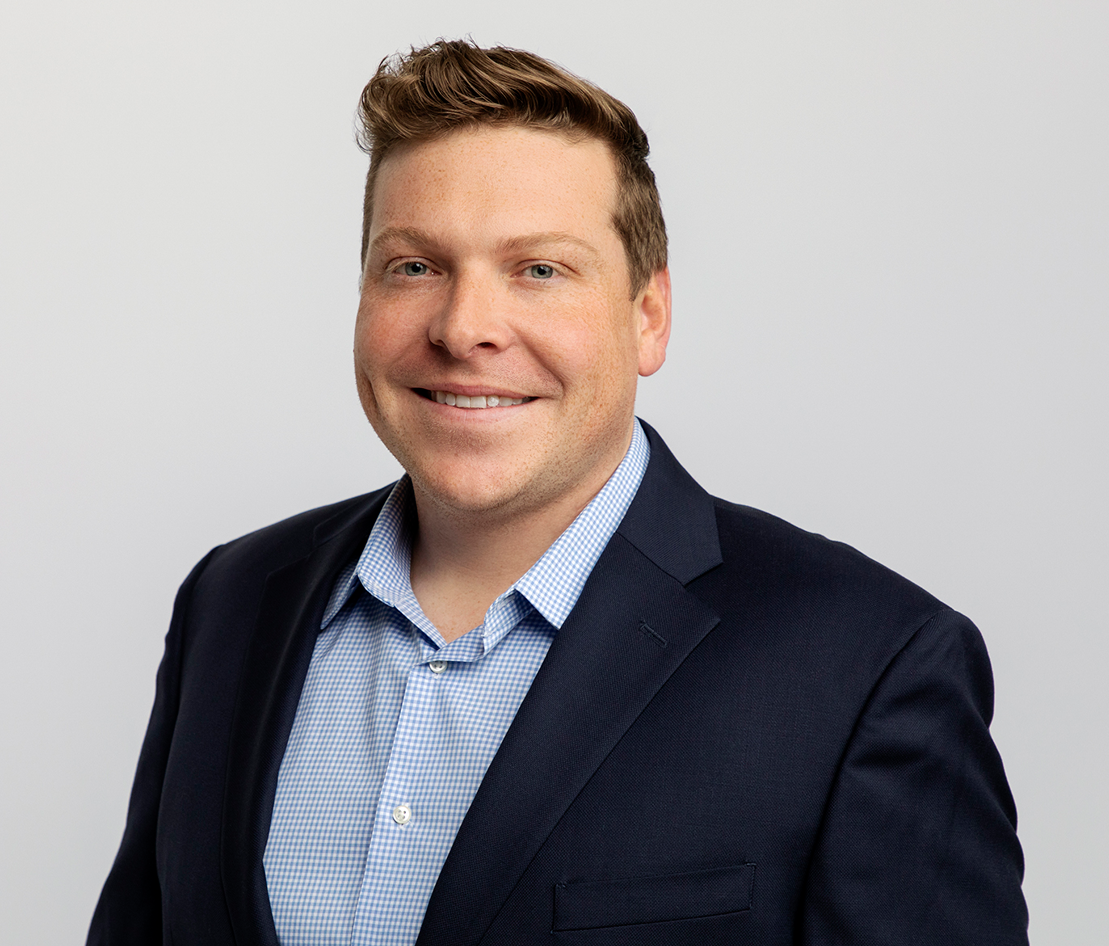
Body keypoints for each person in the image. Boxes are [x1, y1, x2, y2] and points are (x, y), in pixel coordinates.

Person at [87, 40, 1028, 945]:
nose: (464, 329)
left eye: (539, 269)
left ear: (648, 316)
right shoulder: (233, 599)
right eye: (413, 265)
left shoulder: (865, 664)